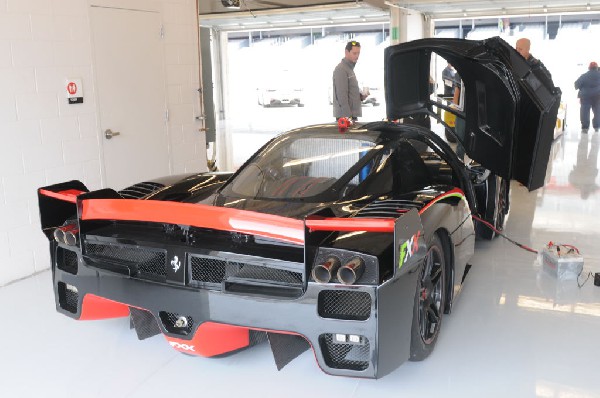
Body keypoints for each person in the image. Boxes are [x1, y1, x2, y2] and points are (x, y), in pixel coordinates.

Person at [332, 40, 368, 121]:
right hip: (346, 117)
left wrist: (361, 97)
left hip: (350, 116)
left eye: (358, 53)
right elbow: (341, 96)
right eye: (354, 53)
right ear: (346, 52)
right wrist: (348, 118)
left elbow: (350, 94)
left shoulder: (349, 69)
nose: (357, 56)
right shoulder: (341, 69)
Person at [574, 62, 600, 133]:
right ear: (597, 67)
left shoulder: (584, 76)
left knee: (585, 112)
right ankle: (597, 127)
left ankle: (585, 128)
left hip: (585, 97)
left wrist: (582, 87)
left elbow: (576, 85)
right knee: (598, 111)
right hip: (598, 97)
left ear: (589, 68)